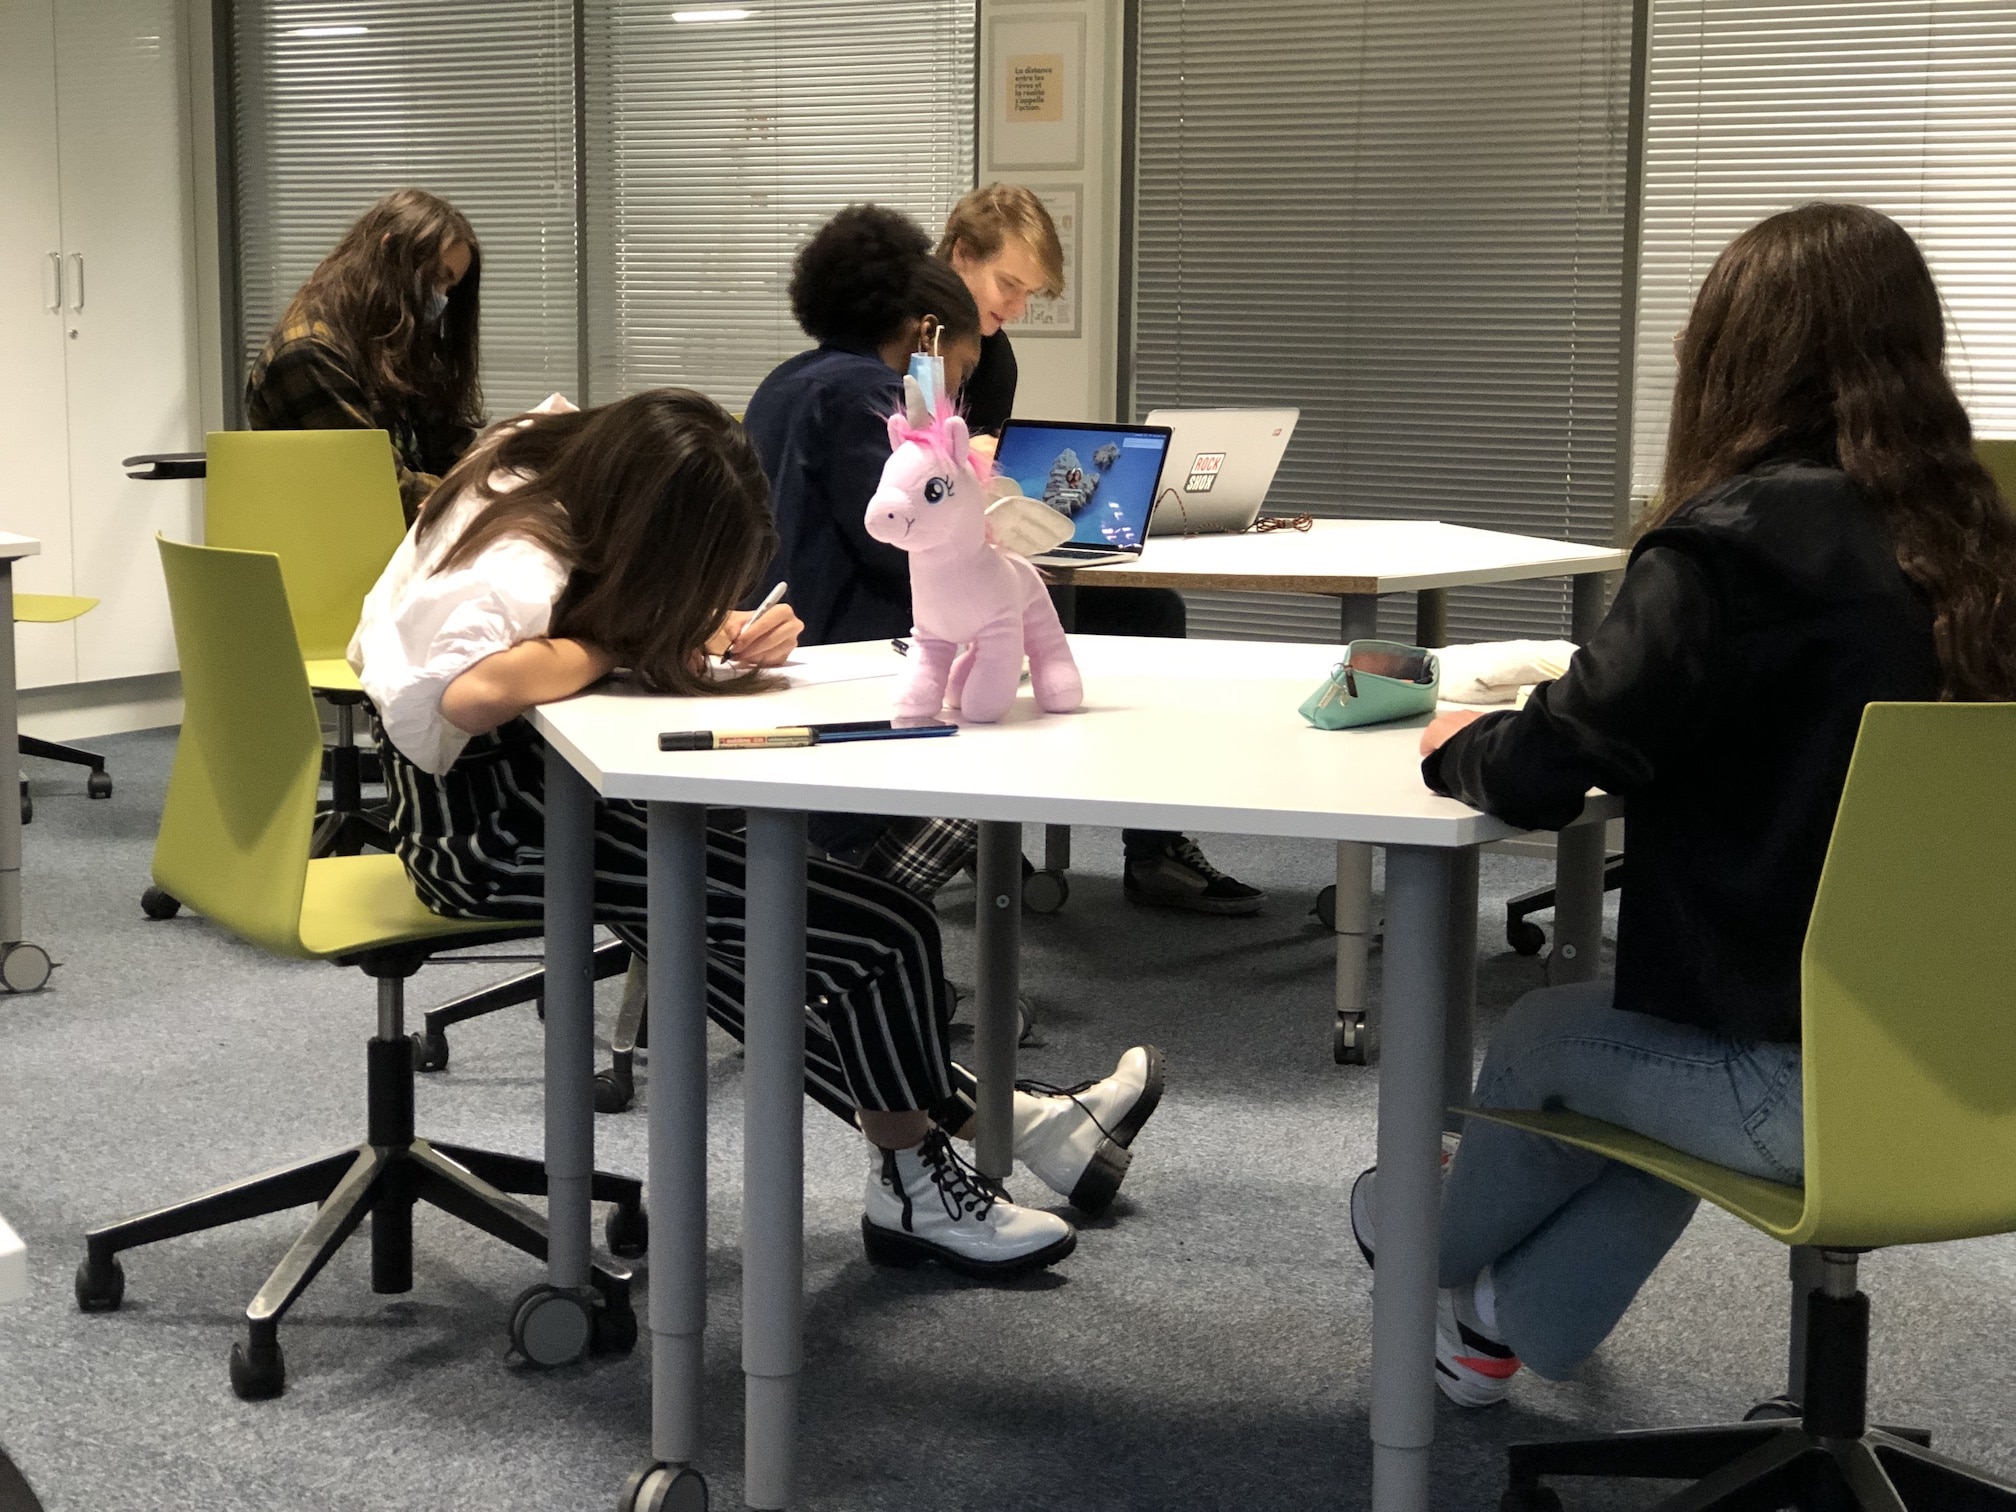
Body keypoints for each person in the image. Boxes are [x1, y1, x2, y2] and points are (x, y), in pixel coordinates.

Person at [1348, 203, 2016, 1404]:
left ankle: (1416, 1245)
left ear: (1735, 354)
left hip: (1813, 1093)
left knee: (1551, 1038)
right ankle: (1496, 1325)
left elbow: (1545, 766)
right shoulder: (1976, 543)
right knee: (1657, 1058)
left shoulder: (1731, 544)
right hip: (1982, 1066)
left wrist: (1460, 744)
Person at [348, 388, 1165, 1278]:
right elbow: (474, 691)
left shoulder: (548, 460)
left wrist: (713, 626)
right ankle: (920, 1191)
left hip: (539, 795)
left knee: (762, 970)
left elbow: (574, 613)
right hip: (486, 834)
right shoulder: (517, 556)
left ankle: (1025, 1129)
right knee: (882, 935)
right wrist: (636, 638)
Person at [940, 185, 1265, 916]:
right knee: (1023, 613)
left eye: (1029, 293)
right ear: (961, 256)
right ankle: (966, 829)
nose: (1018, 307)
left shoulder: (995, 357)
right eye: (1009, 285)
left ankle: (1154, 848)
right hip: (913, 563)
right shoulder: (901, 343)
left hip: (981, 549)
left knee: (1152, 613)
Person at [246, 188, 484, 522]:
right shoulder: (309, 354)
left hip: (399, 544)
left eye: (450, 287)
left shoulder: (395, 343)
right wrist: (475, 498)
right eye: (438, 277)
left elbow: (453, 449)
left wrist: (496, 474)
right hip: (337, 545)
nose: (442, 296)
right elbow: (381, 489)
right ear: (388, 251)